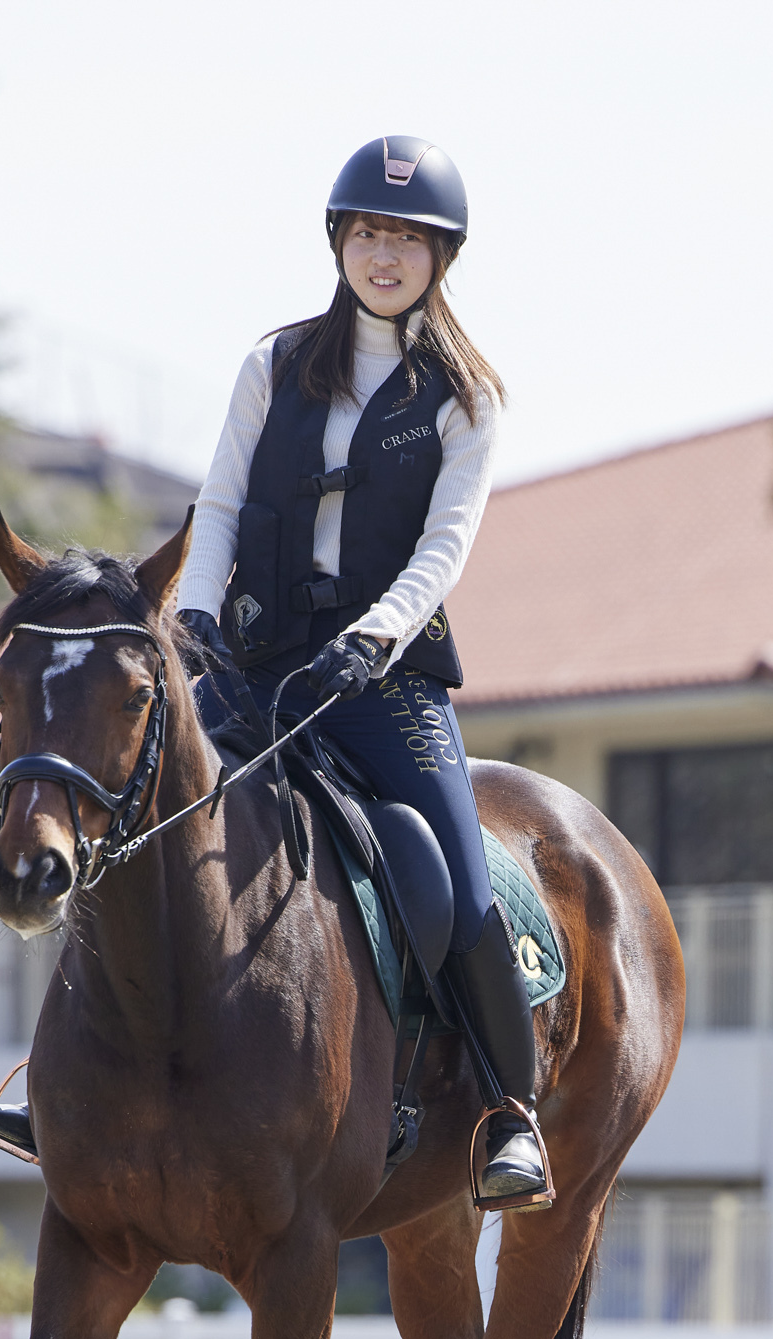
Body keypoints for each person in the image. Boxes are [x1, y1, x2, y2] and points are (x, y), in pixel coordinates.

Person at [171, 134, 548, 1212]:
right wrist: (194, 610)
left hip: (384, 681)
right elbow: (223, 503)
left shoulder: (467, 396)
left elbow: (447, 543)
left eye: (409, 238)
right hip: (253, 669)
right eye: (369, 232)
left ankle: (506, 1116)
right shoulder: (273, 365)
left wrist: (376, 633)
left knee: (461, 884)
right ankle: (58, 1082)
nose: (385, 254)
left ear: (441, 257)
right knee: (129, 812)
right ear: (341, 240)